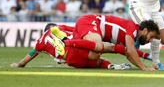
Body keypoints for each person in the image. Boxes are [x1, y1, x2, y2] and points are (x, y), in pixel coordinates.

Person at [10, 22, 153, 70]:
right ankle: (147, 56)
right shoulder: (61, 26)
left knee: (95, 61)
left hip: (71, 60)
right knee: (107, 48)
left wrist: (20, 64)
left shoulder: (40, 42)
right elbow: (80, 31)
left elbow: (32, 52)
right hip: (78, 46)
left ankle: (110, 66)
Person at [58, 14, 159, 71]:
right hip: (89, 22)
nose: (150, 40)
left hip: (89, 25)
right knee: (97, 47)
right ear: (145, 30)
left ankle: (59, 50)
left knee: (93, 55)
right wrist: (144, 68)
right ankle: (65, 42)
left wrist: (145, 66)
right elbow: (131, 50)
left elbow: (129, 54)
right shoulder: (133, 28)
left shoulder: (132, 36)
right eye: (151, 36)